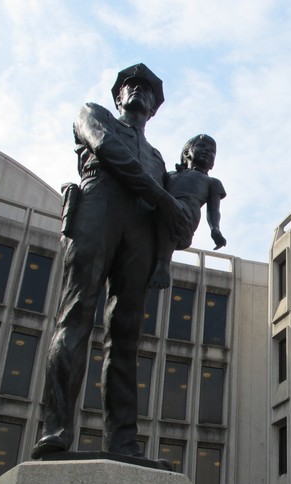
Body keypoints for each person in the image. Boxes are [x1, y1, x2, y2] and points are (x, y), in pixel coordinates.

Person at [31, 64, 188, 459]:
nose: (138, 91)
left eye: (147, 90)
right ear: (118, 96)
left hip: (140, 227)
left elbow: (177, 223)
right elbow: (110, 151)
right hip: (99, 202)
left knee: (126, 335)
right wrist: (165, 198)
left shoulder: (156, 157)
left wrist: (184, 208)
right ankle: (56, 430)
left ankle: (122, 440)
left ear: (154, 108)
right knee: (76, 314)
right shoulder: (93, 114)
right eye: (130, 86)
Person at [148, 134, 227, 289]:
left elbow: (214, 210)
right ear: (187, 153)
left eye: (212, 151)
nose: (208, 152)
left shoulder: (212, 182)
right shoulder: (169, 175)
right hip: (162, 208)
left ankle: (163, 264)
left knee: (169, 204)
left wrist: (215, 229)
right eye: (203, 147)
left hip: (186, 215)